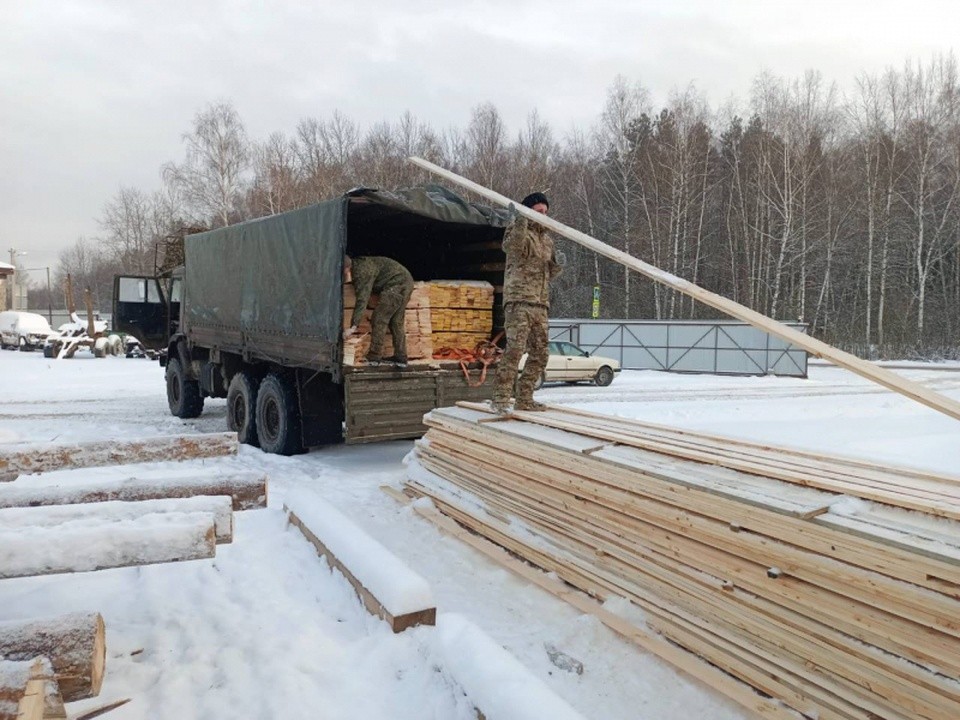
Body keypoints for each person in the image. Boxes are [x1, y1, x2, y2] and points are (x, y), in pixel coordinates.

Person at [492, 192, 562, 412]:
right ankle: (501, 399)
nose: (543, 215)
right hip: (519, 301)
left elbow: (548, 273)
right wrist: (520, 219)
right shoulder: (517, 230)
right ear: (528, 210)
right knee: (514, 350)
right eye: (539, 211)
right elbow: (512, 248)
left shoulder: (547, 240)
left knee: (541, 354)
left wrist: (558, 265)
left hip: (540, 302)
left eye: (545, 212)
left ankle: (524, 398)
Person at [344, 255, 414, 367]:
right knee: (396, 321)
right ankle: (401, 357)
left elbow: (362, 300)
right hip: (405, 281)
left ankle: (374, 356)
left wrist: (353, 326)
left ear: (347, 269)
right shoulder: (359, 265)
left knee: (379, 319)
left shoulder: (362, 272)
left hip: (398, 284)